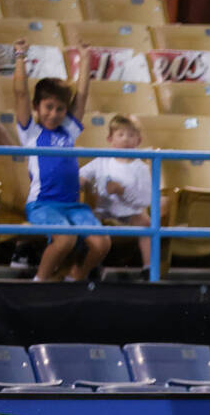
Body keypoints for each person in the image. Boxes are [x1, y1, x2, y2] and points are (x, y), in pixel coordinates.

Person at [11, 39, 109, 282]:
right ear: (36, 106)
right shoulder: (31, 132)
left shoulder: (69, 132)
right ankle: (39, 282)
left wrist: (85, 59)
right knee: (65, 239)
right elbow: (20, 92)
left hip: (73, 206)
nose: (54, 114)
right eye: (48, 107)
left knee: (101, 242)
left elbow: (83, 93)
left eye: (60, 109)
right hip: (43, 205)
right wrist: (20, 56)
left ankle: (76, 278)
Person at [78, 115, 154, 275]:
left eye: (131, 135)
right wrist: (82, 182)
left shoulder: (141, 168)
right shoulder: (101, 161)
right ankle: (92, 263)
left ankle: (148, 267)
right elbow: (81, 175)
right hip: (101, 210)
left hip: (129, 212)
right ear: (110, 139)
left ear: (138, 141)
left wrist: (122, 191)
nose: (126, 140)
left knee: (146, 222)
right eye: (121, 135)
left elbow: (145, 199)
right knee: (87, 220)